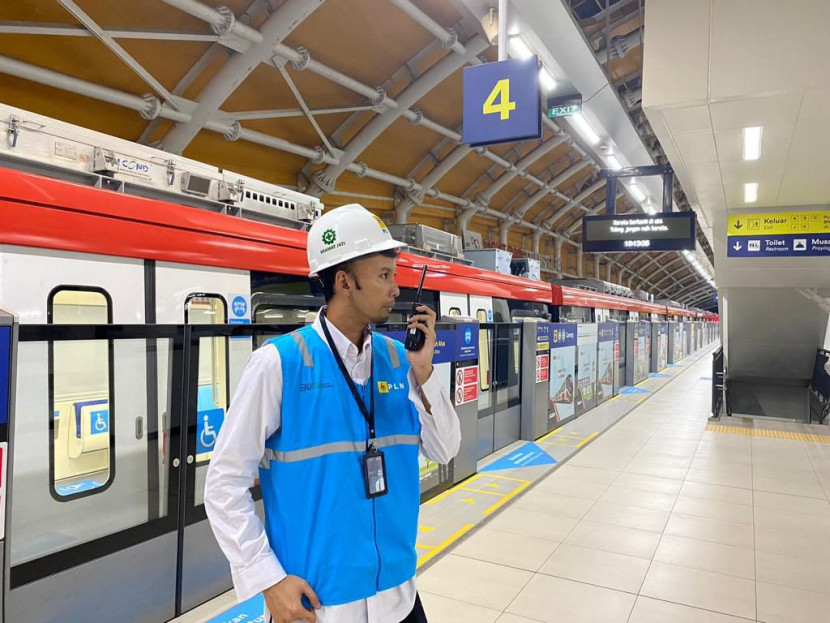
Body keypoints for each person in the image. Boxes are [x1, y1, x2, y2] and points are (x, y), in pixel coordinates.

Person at [205, 203, 461, 623]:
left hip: (399, 599)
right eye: (383, 276)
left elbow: (445, 449)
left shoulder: (401, 360)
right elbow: (224, 482)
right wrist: (267, 579)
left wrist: (425, 372)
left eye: (394, 276)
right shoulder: (279, 364)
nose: (395, 289)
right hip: (319, 607)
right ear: (344, 281)